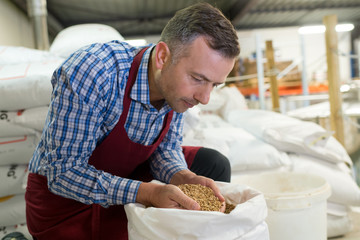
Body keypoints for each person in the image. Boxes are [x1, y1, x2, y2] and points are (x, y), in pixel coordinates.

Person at [25, 2, 240, 239]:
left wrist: (182, 176)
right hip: (67, 205)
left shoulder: (176, 88)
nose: (205, 98)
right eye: (198, 79)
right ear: (162, 57)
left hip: (124, 181)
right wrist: (147, 193)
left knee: (212, 163)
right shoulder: (94, 71)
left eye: (214, 84)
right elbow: (63, 173)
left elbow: (166, 147)